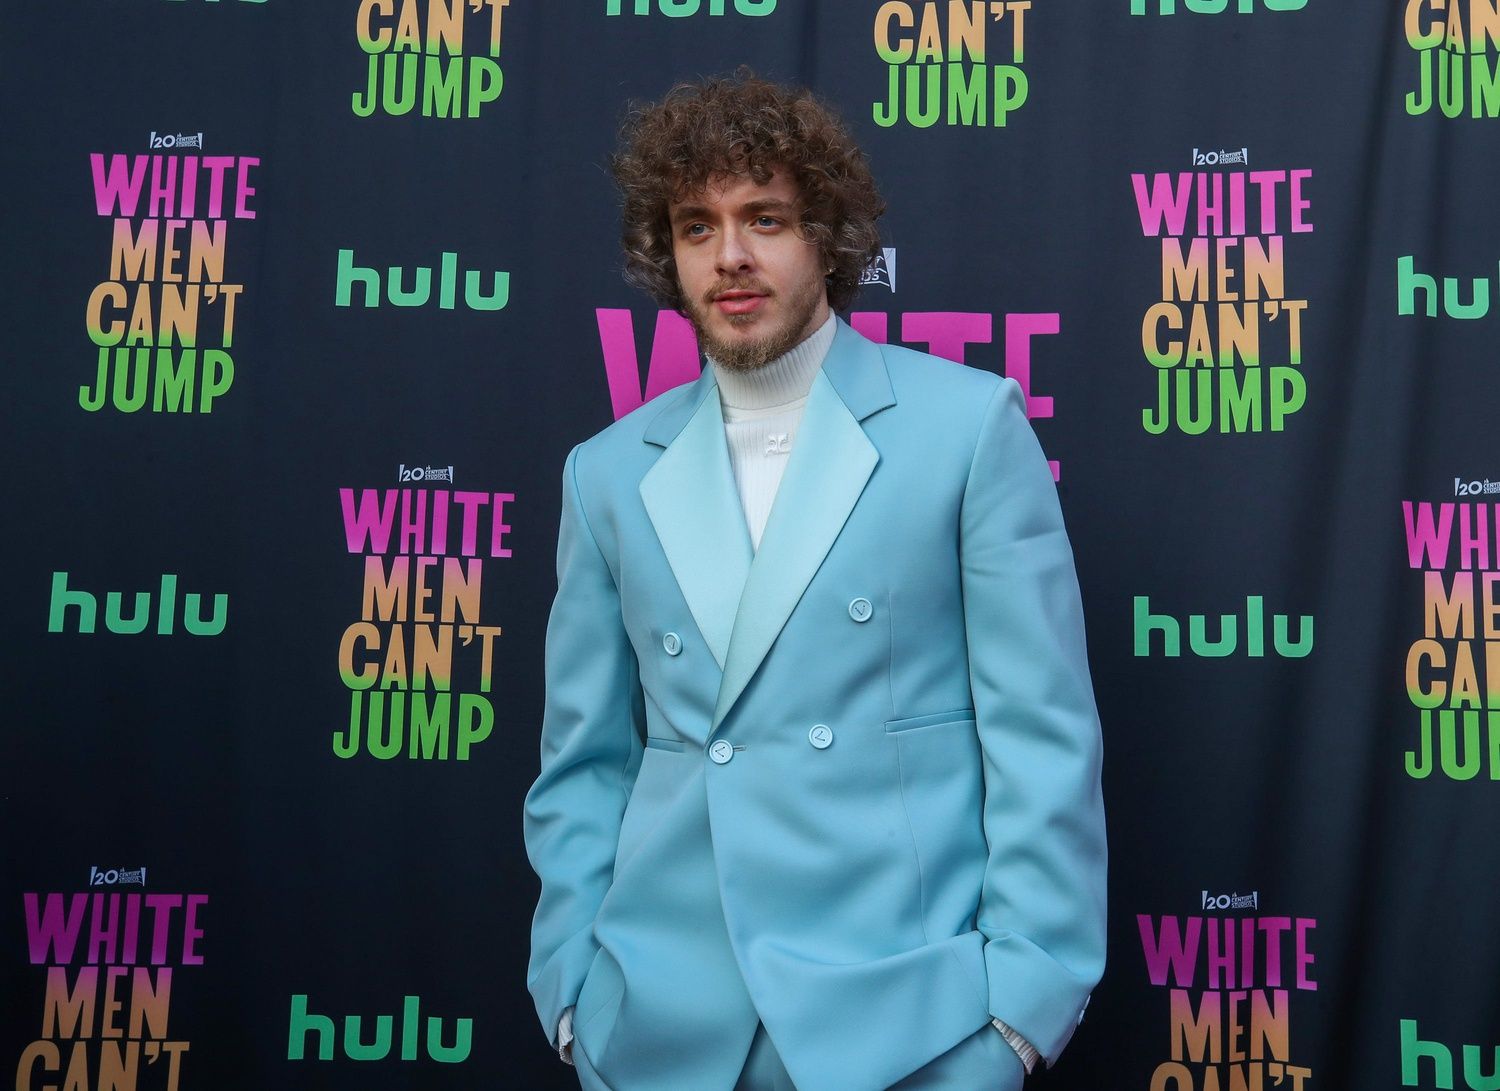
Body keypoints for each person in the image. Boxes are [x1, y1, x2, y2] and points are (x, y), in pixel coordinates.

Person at [524, 71, 1106, 1091]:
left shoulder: (968, 430)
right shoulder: (609, 473)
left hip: (908, 1027)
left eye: (765, 218)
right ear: (668, 253)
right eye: (697, 226)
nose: (731, 254)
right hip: (660, 1033)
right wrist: (574, 995)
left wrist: (1018, 1014)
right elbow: (584, 764)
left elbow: (1041, 738)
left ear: (825, 237)